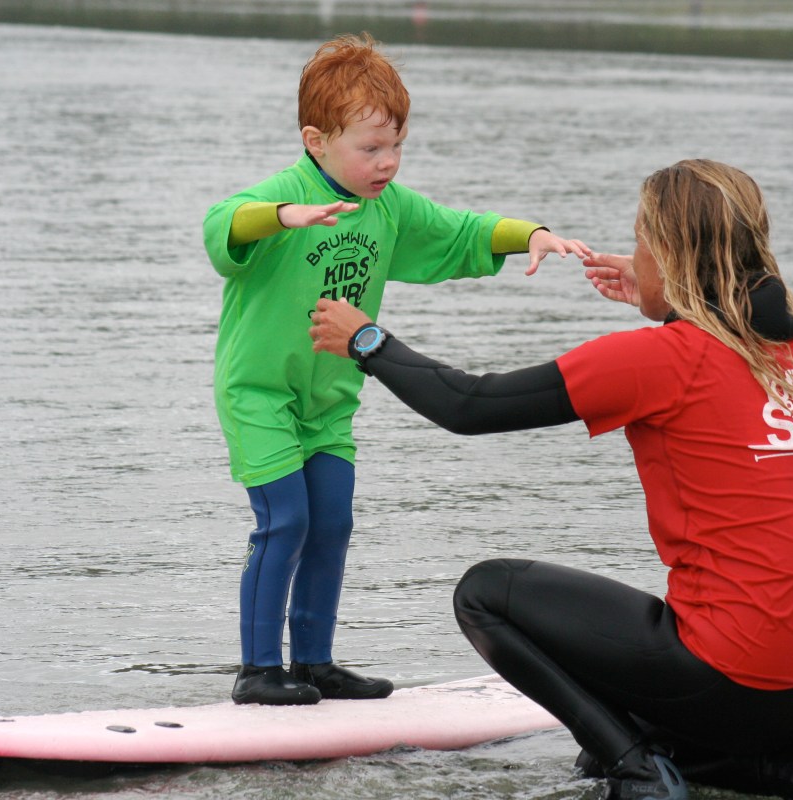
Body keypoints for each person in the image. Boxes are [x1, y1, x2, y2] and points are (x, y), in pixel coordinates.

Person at [308, 159, 793, 800]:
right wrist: (665, 290)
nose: (634, 252)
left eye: (642, 239)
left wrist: (370, 342)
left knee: (488, 593)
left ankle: (639, 771)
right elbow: (750, 314)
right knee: (623, 730)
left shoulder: (660, 359)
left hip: (733, 676)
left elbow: (470, 405)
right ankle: (760, 769)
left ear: (672, 254)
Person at [202, 32, 589, 706]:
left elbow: (458, 232)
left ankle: (314, 663)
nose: (387, 163)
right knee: (285, 522)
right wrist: (284, 216)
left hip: (329, 403)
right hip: (259, 395)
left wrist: (528, 233)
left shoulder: (388, 209)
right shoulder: (279, 199)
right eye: (370, 148)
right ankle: (258, 670)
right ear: (316, 140)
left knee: (333, 523)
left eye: (395, 147)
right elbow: (221, 227)